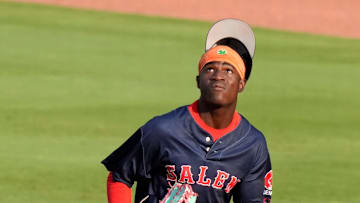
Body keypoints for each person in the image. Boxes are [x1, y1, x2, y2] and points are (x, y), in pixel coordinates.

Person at [101, 19, 272, 203]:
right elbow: (119, 176)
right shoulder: (162, 130)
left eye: (229, 70)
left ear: (241, 84)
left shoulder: (252, 145)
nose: (218, 76)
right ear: (198, 81)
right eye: (210, 69)